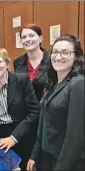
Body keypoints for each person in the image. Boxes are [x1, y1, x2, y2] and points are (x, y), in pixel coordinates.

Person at [27, 35, 85, 171]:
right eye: (55, 52)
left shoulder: (78, 84)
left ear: (76, 56)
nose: (58, 57)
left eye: (65, 52)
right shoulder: (52, 83)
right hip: (47, 158)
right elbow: (43, 124)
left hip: (68, 162)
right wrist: (35, 155)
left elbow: (75, 136)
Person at [0, 47, 39, 170]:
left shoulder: (22, 80)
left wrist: (14, 137)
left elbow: (34, 112)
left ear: (6, 63)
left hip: (23, 134)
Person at [14, 24, 49, 101]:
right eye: (24, 37)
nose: (27, 39)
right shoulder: (17, 62)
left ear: (40, 38)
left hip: (46, 108)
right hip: (26, 109)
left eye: (31, 35)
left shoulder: (52, 60)